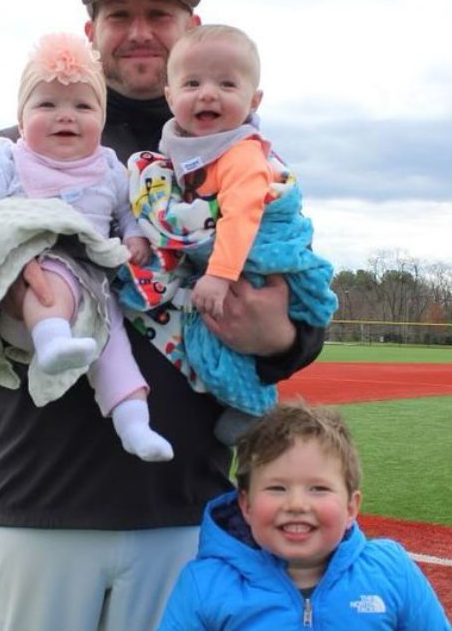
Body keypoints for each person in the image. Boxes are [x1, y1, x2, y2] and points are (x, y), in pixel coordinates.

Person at [0, 0, 326, 631]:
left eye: (159, 13)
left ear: (190, 25)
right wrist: (21, 291)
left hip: (184, 507)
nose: (138, 31)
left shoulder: (231, 151)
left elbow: (297, 310)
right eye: (118, 13)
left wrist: (280, 336)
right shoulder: (22, 140)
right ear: (90, 29)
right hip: (42, 500)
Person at [0, 31, 172, 462]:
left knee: (115, 347)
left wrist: (135, 237)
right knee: (53, 280)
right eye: (47, 105)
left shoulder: (109, 167)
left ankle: (135, 424)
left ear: (101, 118)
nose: (66, 116)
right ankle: (52, 340)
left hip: (95, 282)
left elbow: (126, 213)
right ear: (21, 117)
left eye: (83, 107)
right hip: (38, 263)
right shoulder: (10, 158)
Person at [137, 402, 452, 631]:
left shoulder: (392, 575)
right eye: (277, 488)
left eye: (318, 488)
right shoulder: (206, 587)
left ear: (351, 507)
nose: (296, 504)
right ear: (246, 505)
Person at [121, 24, 336, 442]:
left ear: (254, 100)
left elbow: (241, 216)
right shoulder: (183, 148)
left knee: (211, 342)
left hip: (250, 255)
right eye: (193, 83)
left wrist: (219, 274)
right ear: (170, 96)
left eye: (226, 84)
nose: (208, 94)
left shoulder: (240, 153)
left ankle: (251, 404)